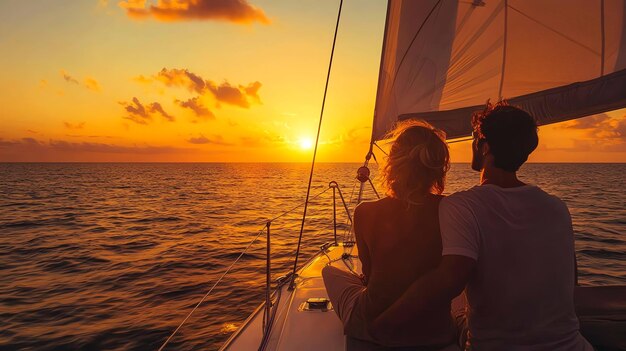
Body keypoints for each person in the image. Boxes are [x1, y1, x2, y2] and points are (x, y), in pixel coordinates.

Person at [370, 102, 593, 350]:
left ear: (483, 147)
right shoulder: (557, 207)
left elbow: (449, 280)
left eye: (475, 138)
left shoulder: (463, 206)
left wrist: (385, 321)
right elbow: (571, 281)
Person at [322, 120, 458, 349]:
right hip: (434, 332)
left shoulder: (364, 212)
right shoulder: (452, 211)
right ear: (438, 169)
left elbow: (369, 271)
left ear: (392, 164)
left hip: (372, 326)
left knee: (328, 271)